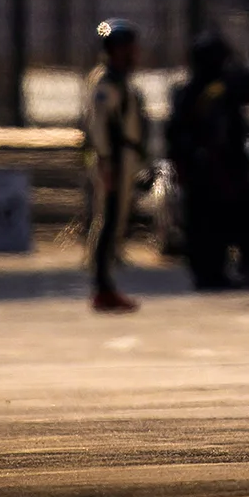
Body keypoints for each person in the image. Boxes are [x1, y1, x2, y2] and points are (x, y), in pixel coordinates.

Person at [165, 31, 249, 289]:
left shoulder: (223, 88)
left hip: (221, 169)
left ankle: (217, 271)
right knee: (203, 223)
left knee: (221, 221)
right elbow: (178, 133)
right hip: (204, 170)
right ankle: (207, 273)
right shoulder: (194, 93)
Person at [83, 18, 147, 314]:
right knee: (107, 220)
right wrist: (107, 163)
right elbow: (99, 128)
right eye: (128, 48)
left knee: (115, 220)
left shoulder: (120, 79)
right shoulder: (105, 82)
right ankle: (103, 287)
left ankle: (106, 284)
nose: (133, 54)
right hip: (114, 160)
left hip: (124, 158)